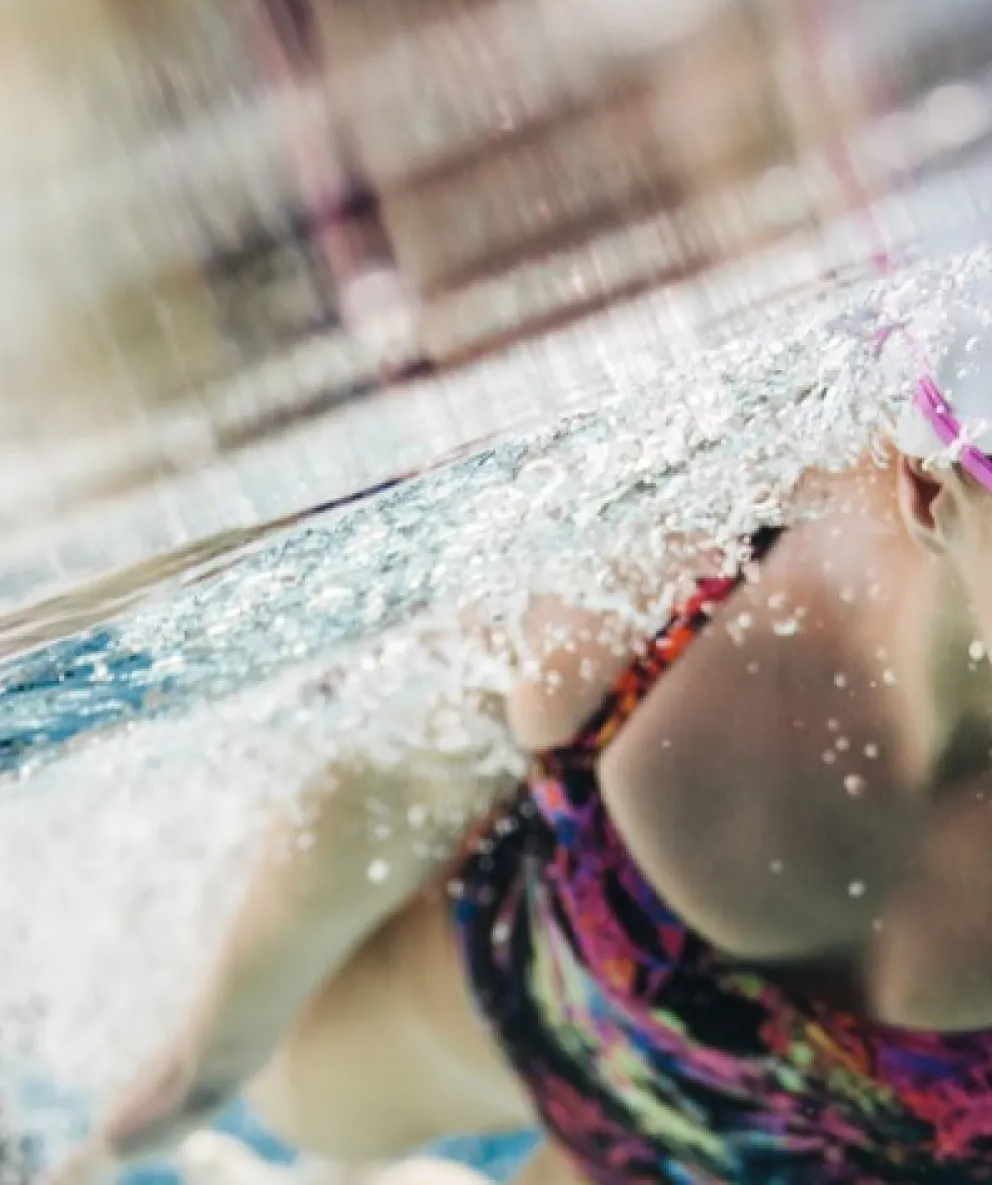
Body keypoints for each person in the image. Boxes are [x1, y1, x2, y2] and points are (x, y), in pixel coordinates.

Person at [51, 287, 992, 1185]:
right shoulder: (706, 546)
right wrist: (202, 1057)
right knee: (280, 1100)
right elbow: (405, 776)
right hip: (485, 1045)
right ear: (929, 488)